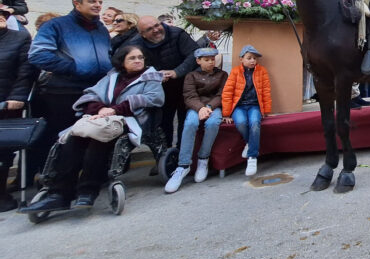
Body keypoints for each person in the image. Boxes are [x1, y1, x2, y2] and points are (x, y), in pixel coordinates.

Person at [20, 45, 164, 213]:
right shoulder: (112, 77)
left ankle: (87, 191)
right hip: (102, 119)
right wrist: (100, 109)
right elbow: (90, 95)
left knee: (99, 140)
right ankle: (59, 193)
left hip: (131, 120)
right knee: (74, 139)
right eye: (132, 58)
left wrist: (115, 110)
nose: (138, 61)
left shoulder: (151, 77)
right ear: (122, 62)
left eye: (140, 57)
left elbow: (154, 98)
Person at [27, 0, 112, 183]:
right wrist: (75, 67)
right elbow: (38, 55)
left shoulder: (100, 28)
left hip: (94, 92)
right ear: (77, 4)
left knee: (90, 136)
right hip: (64, 91)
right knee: (63, 137)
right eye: (92, 1)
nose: (98, 5)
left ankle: (85, 180)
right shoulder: (56, 25)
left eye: (100, 2)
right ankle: (56, 181)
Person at [164, 47, 228, 193]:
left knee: (213, 123)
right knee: (190, 123)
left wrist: (210, 107)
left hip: (214, 106)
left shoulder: (222, 75)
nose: (211, 63)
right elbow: (189, 95)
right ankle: (183, 165)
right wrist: (200, 108)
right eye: (206, 60)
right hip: (196, 107)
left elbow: (222, 94)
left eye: (212, 59)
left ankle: (203, 158)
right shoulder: (191, 76)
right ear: (198, 61)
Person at [130, 16, 199, 148]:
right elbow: (136, 65)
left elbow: (193, 54)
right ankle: (165, 156)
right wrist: (155, 75)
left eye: (157, 25)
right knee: (163, 123)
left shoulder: (177, 33)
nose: (156, 30)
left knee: (185, 122)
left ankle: (182, 154)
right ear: (142, 34)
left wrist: (176, 72)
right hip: (160, 90)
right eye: (150, 29)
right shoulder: (135, 44)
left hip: (186, 85)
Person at [0, 8, 37, 211]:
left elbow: (25, 70)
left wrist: (17, 96)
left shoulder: (19, 38)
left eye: (3, 14)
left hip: (6, 101)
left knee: (3, 150)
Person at [222, 45, 272, 177]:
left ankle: (252, 157)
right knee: (241, 123)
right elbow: (227, 92)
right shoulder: (235, 72)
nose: (252, 61)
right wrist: (226, 113)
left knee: (255, 123)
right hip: (238, 106)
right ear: (241, 59)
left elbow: (266, 91)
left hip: (255, 105)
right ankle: (250, 142)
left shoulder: (262, 71)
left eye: (254, 58)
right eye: (249, 58)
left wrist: (266, 109)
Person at [339, 0, 370, 107]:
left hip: (358, 27)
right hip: (344, 29)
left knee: (357, 60)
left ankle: (356, 95)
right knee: (347, 63)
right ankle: (348, 98)